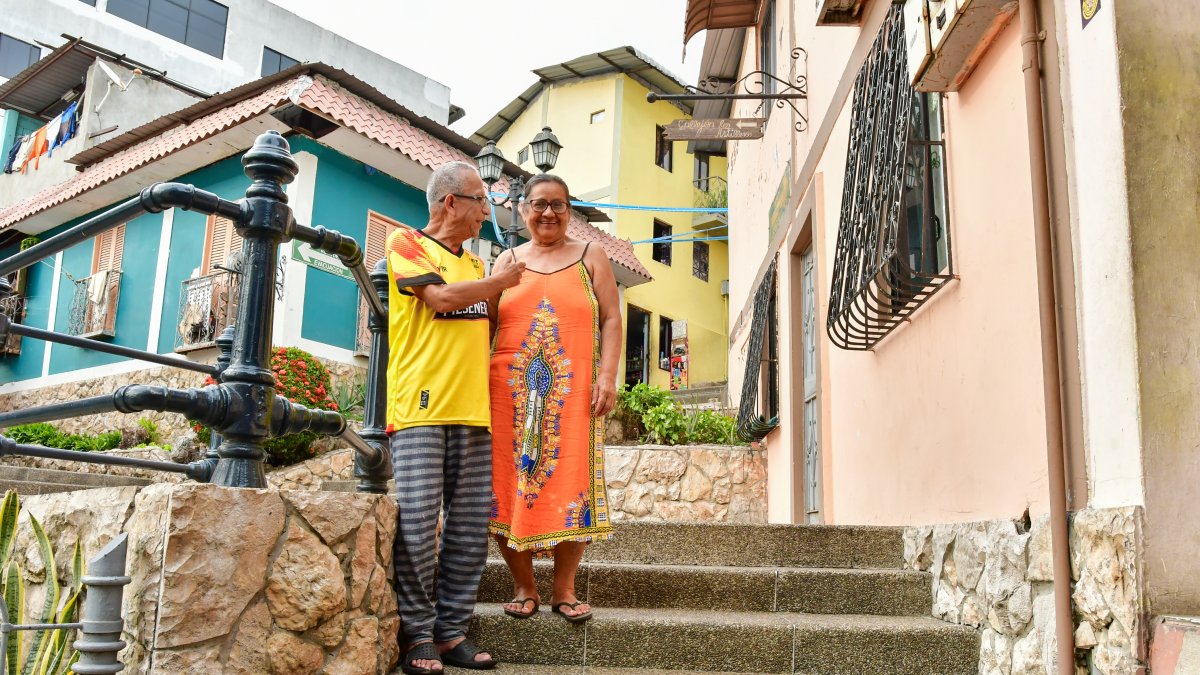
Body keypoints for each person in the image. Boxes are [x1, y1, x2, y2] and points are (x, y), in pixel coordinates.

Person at [386, 161, 524, 675]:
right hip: (421, 409)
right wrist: (499, 283)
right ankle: (417, 633)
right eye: (479, 201)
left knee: (467, 530)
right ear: (450, 202)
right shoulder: (406, 245)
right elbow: (438, 299)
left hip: (474, 414)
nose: (485, 212)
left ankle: (451, 633)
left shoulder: (475, 267)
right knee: (421, 527)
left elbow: (491, 330)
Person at [487, 174, 622, 624]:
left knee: (572, 485)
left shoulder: (591, 255)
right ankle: (524, 585)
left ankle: (564, 589)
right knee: (507, 486)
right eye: (539, 204)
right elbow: (485, 325)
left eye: (558, 205)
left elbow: (612, 319)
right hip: (507, 394)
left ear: (570, 211)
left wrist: (606, 375)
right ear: (524, 208)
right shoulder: (505, 260)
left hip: (574, 393)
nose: (548, 213)